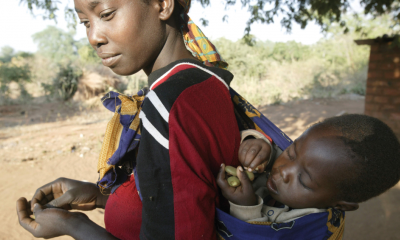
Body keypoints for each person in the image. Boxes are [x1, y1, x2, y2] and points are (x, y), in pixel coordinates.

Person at [16, 0, 246, 239]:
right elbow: (178, 198)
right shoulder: (206, 81)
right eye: (85, 22)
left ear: (162, 5)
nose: (94, 37)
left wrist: (74, 226)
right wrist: (100, 196)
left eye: (106, 14)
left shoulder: (166, 104)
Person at [217, 114, 400, 237]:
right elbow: (274, 149)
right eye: (291, 153)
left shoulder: (312, 229)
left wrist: (246, 208)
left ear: (339, 205)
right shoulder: (312, 167)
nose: (284, 170)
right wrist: (256, 143)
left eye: (303, 180)